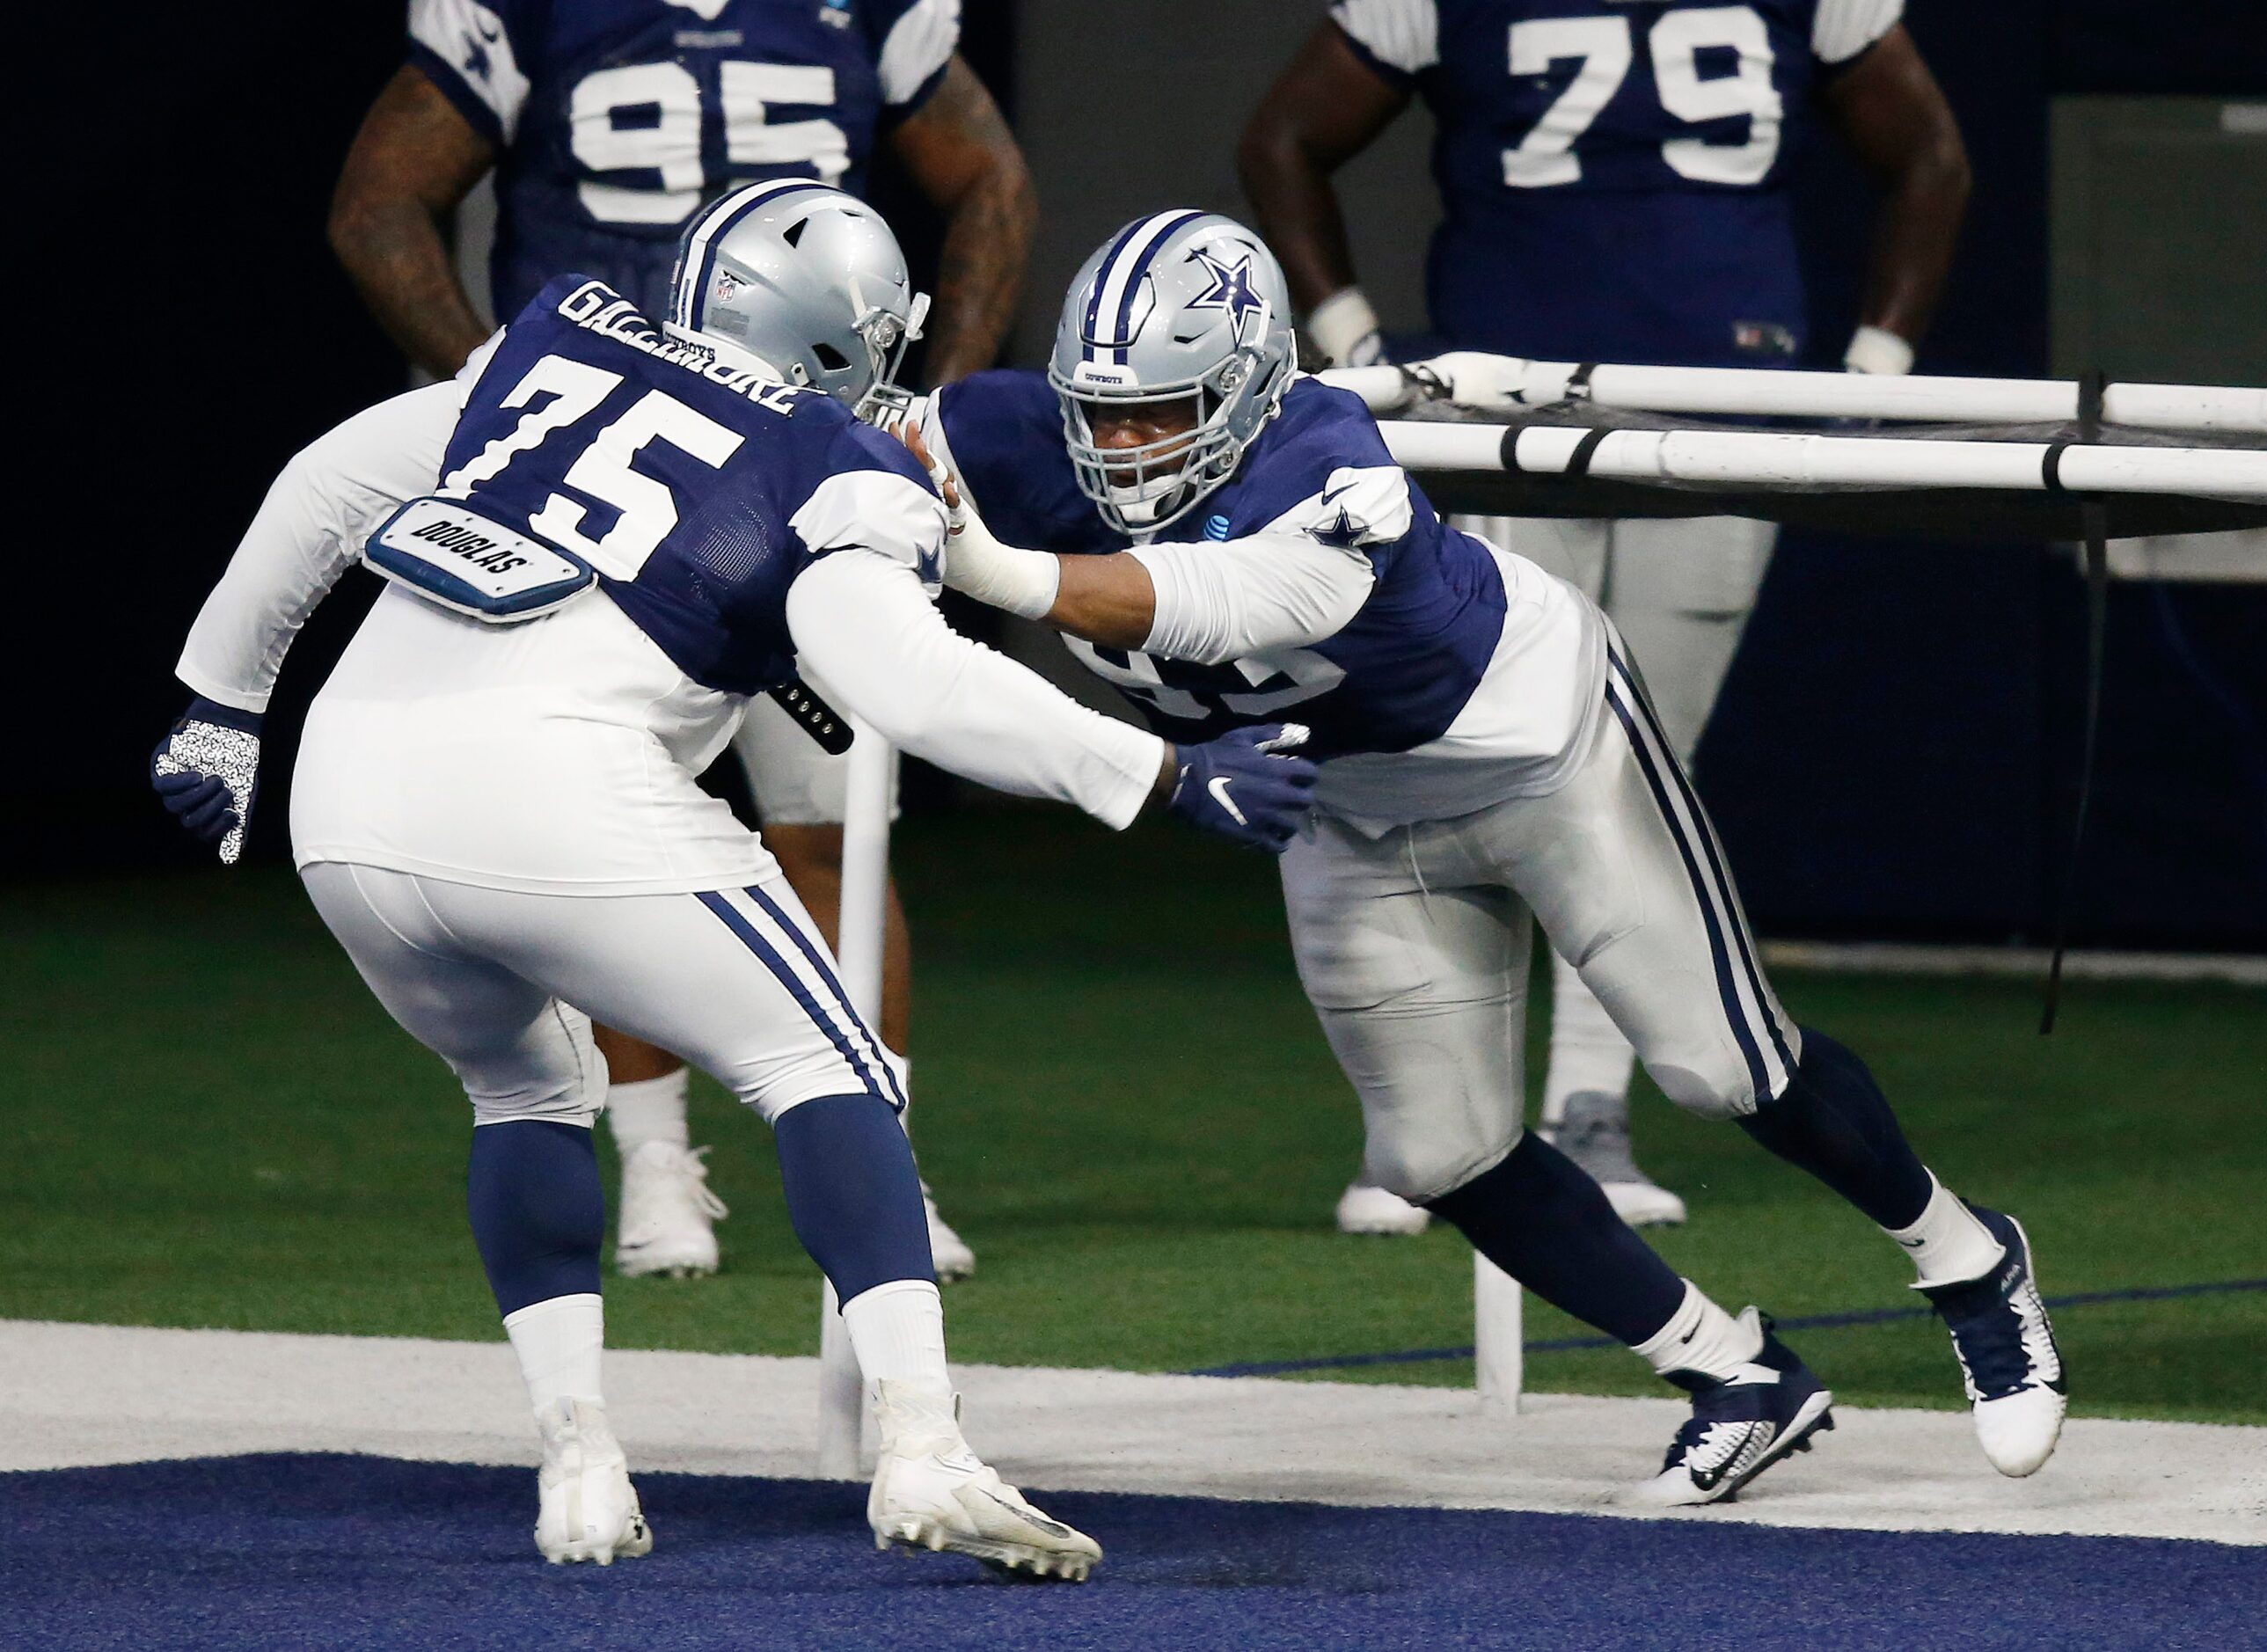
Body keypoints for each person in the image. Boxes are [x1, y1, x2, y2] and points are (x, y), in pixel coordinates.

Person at [151, 182, 1314, 1569]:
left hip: (344, 797)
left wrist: (220, 699)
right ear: (847, 340)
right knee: (833, 1072)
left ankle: (577, 1467)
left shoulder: (552, 345)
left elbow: (330, 480)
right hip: (555, 787)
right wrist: (1163, 773)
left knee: (520, 1085)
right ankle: (924, 1450)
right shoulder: (836, 457)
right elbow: (914, 683)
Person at [908, 211, 2062, 1503]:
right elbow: (847, 455)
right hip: (1342, 802)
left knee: (1719, 1061)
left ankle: (1969, 1262)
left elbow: (1196, 604)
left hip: (1535, 745)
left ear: (1245, 386)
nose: (1120, 445)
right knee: (1434, 1152)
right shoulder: (996, 429)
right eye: (1098, 412)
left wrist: (980, 560)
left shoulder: (1331, 464)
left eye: (1158, 410)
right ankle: (1734, 1374)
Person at [329, 0, 1044, 1279]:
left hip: (795, 470)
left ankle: (878, 1141)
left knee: (834, 821)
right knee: (598, 822)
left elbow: (987, 175)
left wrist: (921, 412)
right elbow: (378, 203)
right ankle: (655, 1153)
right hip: (611, 484)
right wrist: (501, 399)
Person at [1238, 0, 1971, 1234]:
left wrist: (1869, 381)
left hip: (1722, 406)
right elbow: (1284, 138)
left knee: (1640, 773)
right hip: (1504, 422)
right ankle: (1438, 1117)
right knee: (1456, 758)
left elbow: (1930, 155)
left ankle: (1588, 1104)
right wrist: (1363, 351)